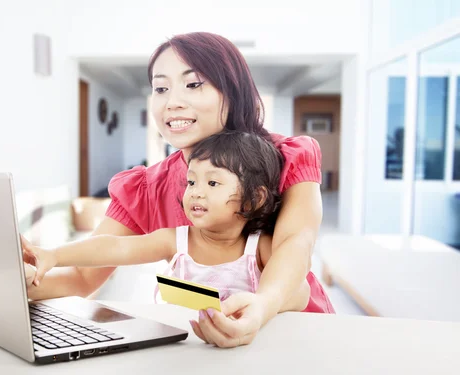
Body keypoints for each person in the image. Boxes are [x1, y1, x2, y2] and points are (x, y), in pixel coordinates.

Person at [23, 31, 335, 348]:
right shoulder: (144, 187)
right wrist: (1, 285)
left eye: (193, 84)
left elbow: (295, 242)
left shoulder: (287, 156)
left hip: (299, 333)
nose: (172, 102)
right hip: (207, 346)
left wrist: (263, 306)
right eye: (161, 88)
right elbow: (81, 277)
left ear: (232, 91)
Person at [23, 131, 312, 347]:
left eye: (212, 182)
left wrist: (263, 303)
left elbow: (299, 292)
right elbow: (115, 246)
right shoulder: (176, 241)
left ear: (254, 198)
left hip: (243, 354)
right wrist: (54, 255)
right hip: (181, 351)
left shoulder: (257, 248)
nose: (196, 192)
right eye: (191, 181)